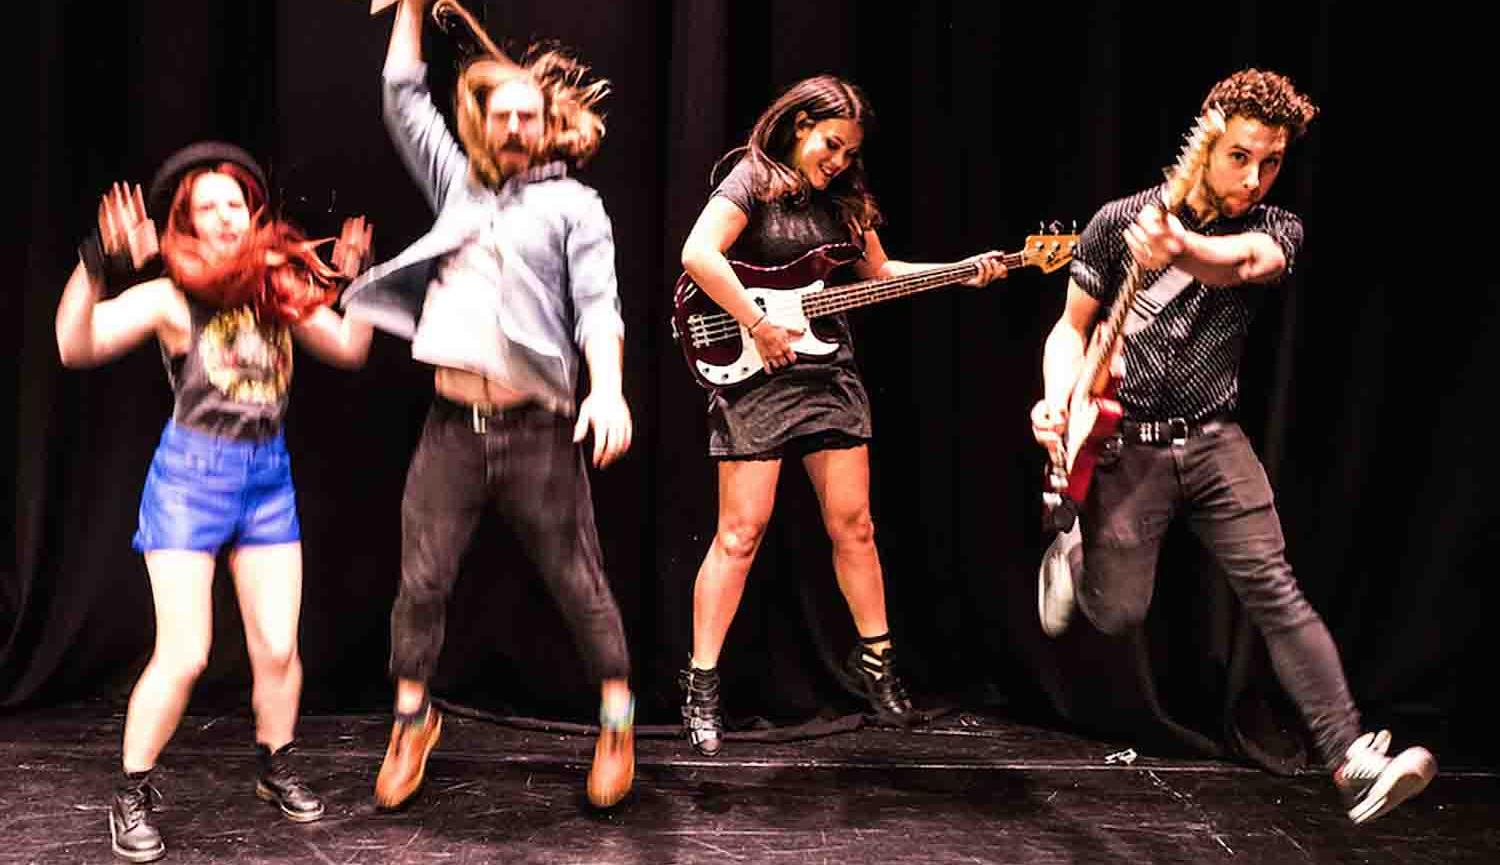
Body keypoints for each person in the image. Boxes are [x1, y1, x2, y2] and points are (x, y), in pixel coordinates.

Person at [1029, 68, 1436, 825]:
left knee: (1275, 591)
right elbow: (1070, 328)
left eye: (1272, 161)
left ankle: (1351, 757)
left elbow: (1244, 263)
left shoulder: (1277, 227)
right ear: (1206, 141)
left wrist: (1178, 247)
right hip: (1124, 450)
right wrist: (1058, 399)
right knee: (1117, 613)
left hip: (1217, 442)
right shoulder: (1117, 222)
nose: (1255, 177)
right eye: (1242, 156)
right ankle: (1074, 552)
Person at [345, 0, 635, 810]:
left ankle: (618, 719)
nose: (512, 126)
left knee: (580, 582)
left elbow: (599, 307)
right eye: (499, 113)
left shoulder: (576, 207)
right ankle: (412, 719)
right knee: (422, 583)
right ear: (480, 116)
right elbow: (403, 92)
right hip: (450, 431)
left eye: (526, 115)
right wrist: (408, 5)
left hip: (536, 429)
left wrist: (607, 388)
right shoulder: (456, 182)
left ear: (547, 122)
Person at [56, 141, 375, 861]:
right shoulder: (173, 298)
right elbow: (77, 345)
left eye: (235, 203)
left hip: (267, 480)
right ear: (189, 226)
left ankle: (276, 763)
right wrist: (95, 264)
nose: (227, 217)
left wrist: (353, 276)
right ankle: (132, 791)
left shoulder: (280, 292)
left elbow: (351, 347)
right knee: (186, 651)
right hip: (190, 482)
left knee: (279, 645)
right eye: (209, 208)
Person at [676, 74, 1007, 756]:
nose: (838, 161)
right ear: (798, 125)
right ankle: (701, 684)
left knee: (855, 524)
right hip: (756, 370)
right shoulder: (750, 177)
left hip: (827, 372)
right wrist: (756, 324)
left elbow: (880, 276)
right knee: (740, 533)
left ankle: (878, 668)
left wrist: (962, 269)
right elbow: (698, 255)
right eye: (831, 144)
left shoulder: (848, 205)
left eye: (849, 152)